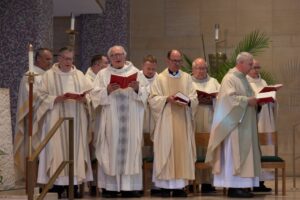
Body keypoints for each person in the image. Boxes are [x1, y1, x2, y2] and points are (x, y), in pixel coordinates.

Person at [90, 45, 148, 198]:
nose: (118, 57)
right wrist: (107, 90)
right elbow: (94, 95)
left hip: (131, 121)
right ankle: (110, 188)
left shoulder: (136, 73)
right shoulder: (103, 74)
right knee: (110, 150)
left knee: (131, 150)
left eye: (120, 54)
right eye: (114, 55)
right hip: (111, 121)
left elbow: (147, 93)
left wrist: (137, 89)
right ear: (109, 58)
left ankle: (131, 188)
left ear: (125, 55)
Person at [36, 46, 93, 198]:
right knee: (55, 150)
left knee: (75, 151)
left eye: (71, 58)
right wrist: (56, 98)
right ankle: (55, 185)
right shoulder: (48, 76)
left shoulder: (79, 75)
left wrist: (84, 99)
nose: (69, 61)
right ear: (59, 59)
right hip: (55, 120)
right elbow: (39, 97)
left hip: (76, 120)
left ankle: (73, 185)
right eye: (66, 58)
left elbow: (90, 96)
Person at [205, 52, 261, 198]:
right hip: (234, 126)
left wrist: (256, 101)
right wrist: (247, 101)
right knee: (234, 155)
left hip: (246, 125)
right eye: (250, 64)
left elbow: (246, 97)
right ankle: (234, 187)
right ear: (241, 63)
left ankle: (244, 186)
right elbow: (227, 99)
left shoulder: (244, 79)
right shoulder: (229, 78)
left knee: (245, 155)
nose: (251, 67)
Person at [148, 49, 198, 197]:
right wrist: (166, 99)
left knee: (182, 151)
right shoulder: (160, 78)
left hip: (183, 121)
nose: (177, 64)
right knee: (166, 151)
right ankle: (164, 186)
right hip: (166, 122)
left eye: (179, 61)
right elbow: (152, 99)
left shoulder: (187, 78)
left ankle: (179, 187)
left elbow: (194, 98)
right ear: (168, 61)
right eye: (174, 61)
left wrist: (188, 101)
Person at [14, 48, 53, 180]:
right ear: (38, 59)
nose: (50, 62)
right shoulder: (30, 75)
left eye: (50, 59)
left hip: (49, 117)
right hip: (35, 118)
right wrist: (49, 98)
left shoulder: (50, 75)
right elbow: (30, 97)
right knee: (34, 148)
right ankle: (34, 178)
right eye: (47, 59)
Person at [191, 58, 220, 193]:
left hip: (210, 117)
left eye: (203, 68)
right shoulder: (188, 81)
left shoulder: (213, 82)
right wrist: (196, 100)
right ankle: (192, 181)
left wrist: (213, 100)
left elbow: (221, 97)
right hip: (193, 118)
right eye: (198, 68)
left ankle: (208, 183)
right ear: (193, 69)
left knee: (209, 148)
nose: (201, 71)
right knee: (194, 149)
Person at [247, 59, 275, 192]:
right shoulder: (245, 81)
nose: (256, 70)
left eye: (258, 67)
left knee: (265, 149)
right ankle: (252, 181)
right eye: (254, 67)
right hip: (253, 118)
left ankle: (261, 182)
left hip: (265, 119)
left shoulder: (263, 82)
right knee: (253, 150)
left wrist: (272, 98)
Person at [85, 54, 109, 196]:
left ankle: (97, 183)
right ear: (96, 65)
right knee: (93, 152)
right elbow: (89, 98)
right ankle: (93, 183)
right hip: (91, 121)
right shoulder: (86, 79)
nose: (107, 66)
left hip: (101, 119)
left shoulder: (103, 76)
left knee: (100, 151)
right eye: (105, 63)